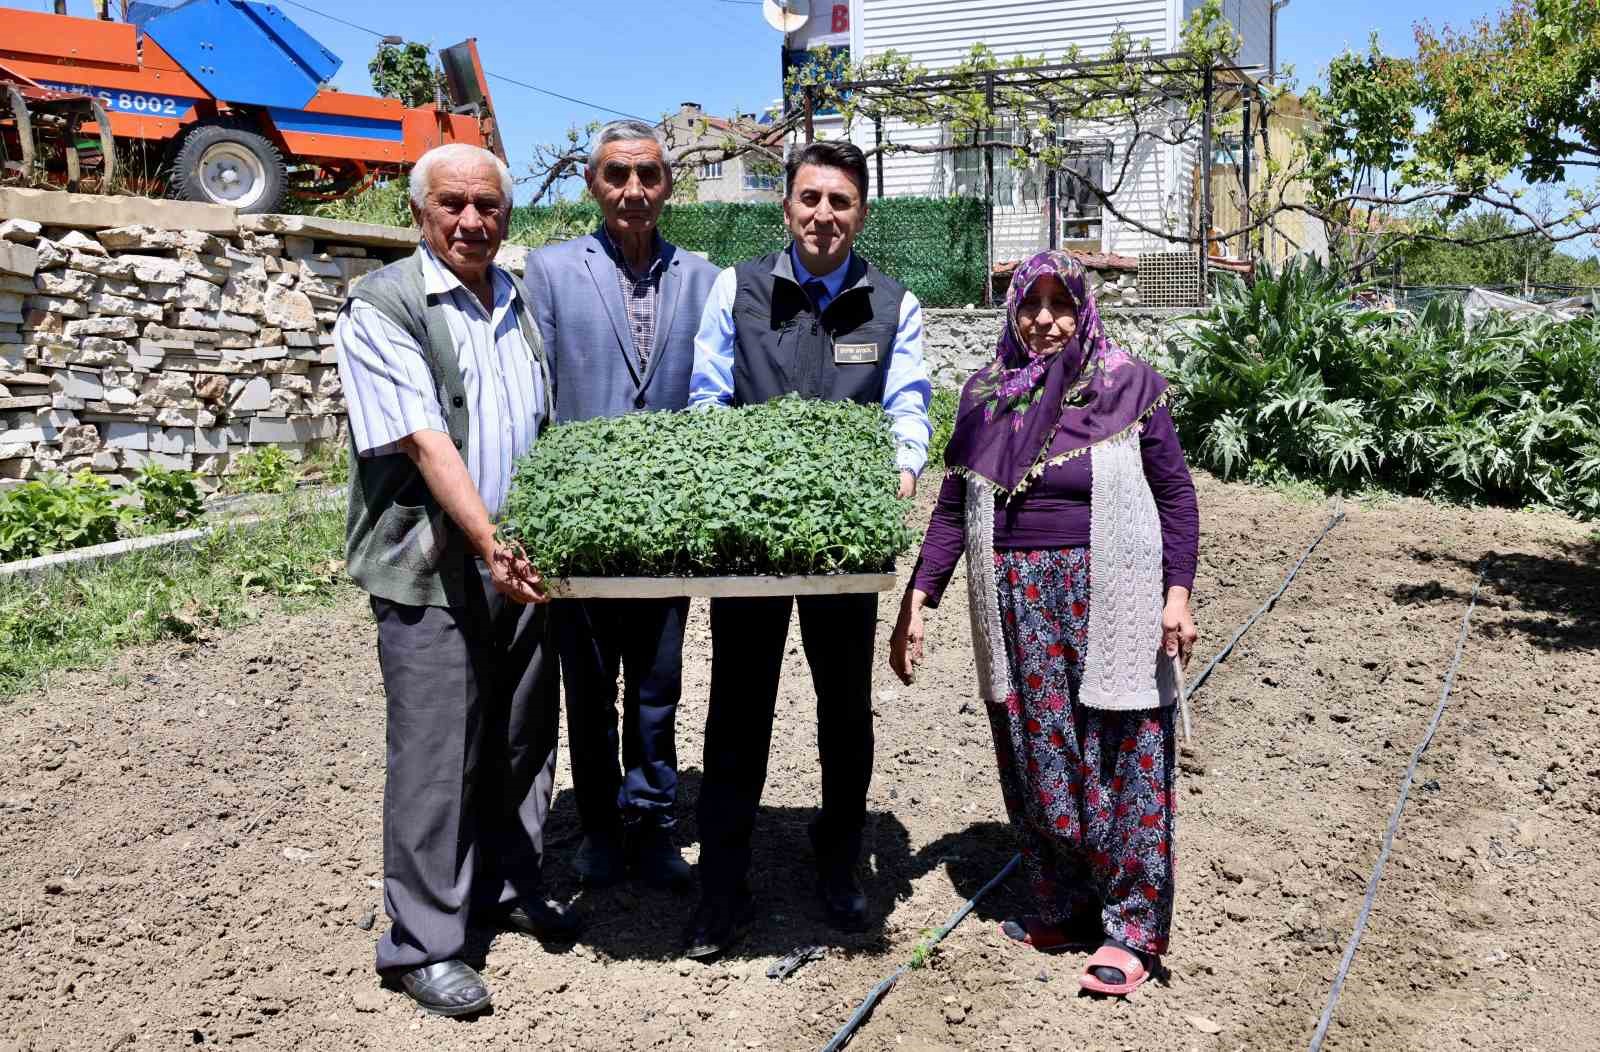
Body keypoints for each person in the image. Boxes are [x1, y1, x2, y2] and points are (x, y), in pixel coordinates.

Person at [889, 250, 1199, 998]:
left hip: (1111, 593)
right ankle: (1063, 906)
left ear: (1083, 310)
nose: (1046, 321)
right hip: (1015, 601)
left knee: (1122, 754)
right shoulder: (985, 394)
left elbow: (1176, 496)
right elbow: (953, 509)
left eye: (1061, 305)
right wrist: (919, 597)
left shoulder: (1129, 385)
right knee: (1039, 753)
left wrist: (1177, 594)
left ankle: (1132, 927)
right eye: (1031, 304)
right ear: (1013, 310)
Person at [335, 142, 580, 1017]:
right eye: (452, 204)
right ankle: (422, 944)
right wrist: (487, 541)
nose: (472, 220)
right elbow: (422, 437)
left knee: (520, 736)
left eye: (488, 205)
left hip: (520, 556)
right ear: (419, 213)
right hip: (434, 562)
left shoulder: (515, 300)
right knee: (438, 753)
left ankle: (506, 886)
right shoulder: (385, 305)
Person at [686, 139, 933, 960]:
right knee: (738, 704)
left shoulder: (893, 304)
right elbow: (708, 399)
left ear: (862, 213)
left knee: (844, 706)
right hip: (751, 542)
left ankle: (839, 862)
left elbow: (907, 405)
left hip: (845, 546)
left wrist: (901, 472)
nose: (823, 214)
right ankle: (722, 885)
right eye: (810, 198)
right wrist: (741, 485)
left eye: (841, 201)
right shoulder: (739, 288)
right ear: (786, 205)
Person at [525, 120, 719, 892]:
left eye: (648, 175)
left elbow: (717, 395)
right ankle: (601, 828)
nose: (633, 190)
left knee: (657, 686)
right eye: (617, 175)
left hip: (669, 527)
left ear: (667, 184)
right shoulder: (550, 271)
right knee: (588, 683)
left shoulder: (703, 278)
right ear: (593, 184)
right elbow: (538, 396)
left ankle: (654, 821)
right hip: (581, 529)